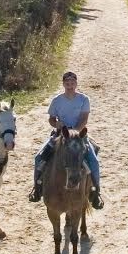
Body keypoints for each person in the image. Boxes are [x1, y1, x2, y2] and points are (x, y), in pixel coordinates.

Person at [28, 71, 103, 208]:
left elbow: (84, 118)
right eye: (67, 83)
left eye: (72, 83)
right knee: (38, 157)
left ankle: (96, 192)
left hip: (79, 135)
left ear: (76, 84)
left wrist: (75, 131)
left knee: (94, 161)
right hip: (59, 135)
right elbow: (51, 118)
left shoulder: (84, 99)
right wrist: (56, 124)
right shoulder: (57, 100)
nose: (70, 86)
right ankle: (37, 189)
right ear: (63, 84)